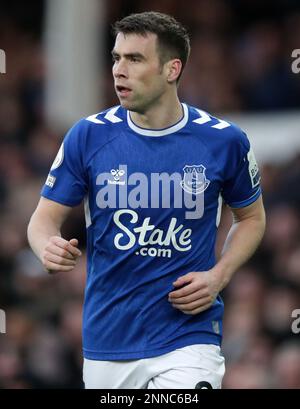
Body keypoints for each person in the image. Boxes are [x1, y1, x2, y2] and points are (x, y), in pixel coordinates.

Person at [27, 11, 266, 389]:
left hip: (189, 334)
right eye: (116, 58)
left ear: (172, 69)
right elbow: (42, 220)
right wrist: (46, 247)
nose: (119, 70)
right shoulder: (87, 136)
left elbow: (251, 217)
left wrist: (219, 276)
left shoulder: (224, 141)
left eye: (134, 59)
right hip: (109, 337)